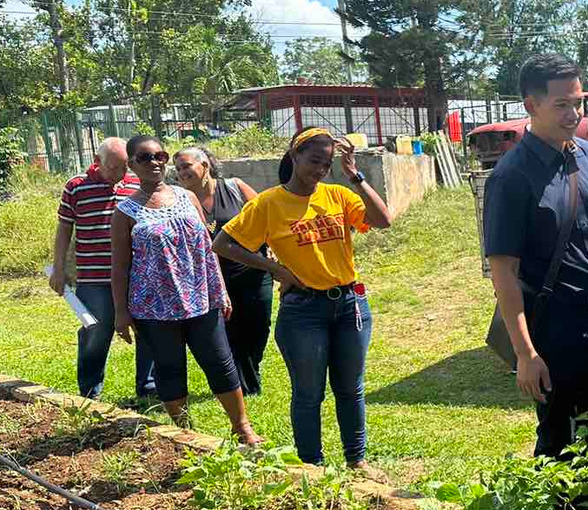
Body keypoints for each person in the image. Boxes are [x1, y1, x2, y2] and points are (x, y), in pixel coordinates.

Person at [215, 128, 393, 467]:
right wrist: (274, 268)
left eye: (326, 164)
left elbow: (383, 220)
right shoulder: (269, 203)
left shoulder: (338, 196)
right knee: (309, 394)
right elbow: (223, 243)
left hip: (349, 306)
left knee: (350, 389)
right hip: (303, 311)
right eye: (314, 161)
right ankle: (312, 466)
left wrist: (355, 177)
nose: (320, 170)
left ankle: (358, 462)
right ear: (294, 156)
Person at [482, 53, 588, 459]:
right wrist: (526, 354)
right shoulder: (511, 177)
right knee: (560, 439)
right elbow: (503, 272)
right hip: (555, 327)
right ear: (531, 105)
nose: (573, 113)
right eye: (561, 104)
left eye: (577, 102)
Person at [110, 135, 260, 442]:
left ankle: (242, 427)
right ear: (131, 165)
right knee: (169, 367)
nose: (154, 163)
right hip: (153, 307)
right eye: (145, 158)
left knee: (219, 360)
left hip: (199, 299)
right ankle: (184, 433)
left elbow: (206, 248)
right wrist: (121, 313)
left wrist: (220, 290)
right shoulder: (125, 212)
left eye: (159, 156)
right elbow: (120, 267)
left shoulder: (186, 197)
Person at [50, 138, 156, 402]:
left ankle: (149, 388)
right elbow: (64, 230)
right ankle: (89, 392)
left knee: (149, 329)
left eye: (124, 168)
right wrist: (59, 268)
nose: (119, 175)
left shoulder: (136, 185)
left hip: (137, 275)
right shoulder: (76, 187)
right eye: (113, 168)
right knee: (96, 331)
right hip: (94, 277)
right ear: (97, 162)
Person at [173, 147, 270, 396]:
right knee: (230, 331)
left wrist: (272, 248)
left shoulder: (234, 187)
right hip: (213, 277)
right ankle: (244, 385)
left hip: (253, 269)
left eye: (187, 166)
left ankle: (250, 370)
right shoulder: (179, 200)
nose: (182, 172)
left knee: (259, 326)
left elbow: (266, 216)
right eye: (179, 168)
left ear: (205, 165)